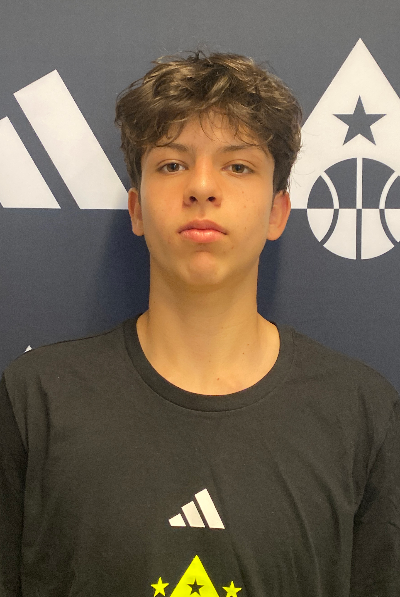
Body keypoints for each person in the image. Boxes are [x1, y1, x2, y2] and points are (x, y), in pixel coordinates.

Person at [1, 51, 399, 597]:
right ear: (136, 210)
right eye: (172, 165)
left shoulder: (361, 413)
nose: (202, 187)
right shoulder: (34, 400)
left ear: (277, 211)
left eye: (238, 166)